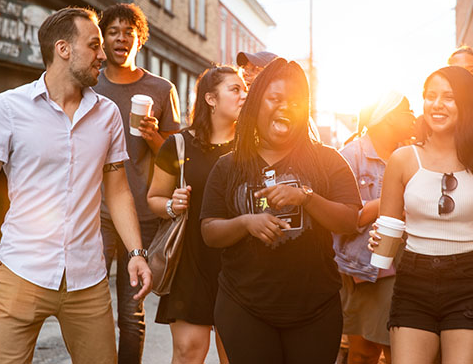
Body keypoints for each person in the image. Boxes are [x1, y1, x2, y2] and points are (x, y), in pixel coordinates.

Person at [0, 7, 152, 364]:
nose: (103, 55)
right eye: (94, 46)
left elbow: (118, 190)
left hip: (88, 279)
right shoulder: (7, 108)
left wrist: (135, 252)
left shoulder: (107, 115)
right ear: (63, 49)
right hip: (22, 271)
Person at [200, 58, 362, 364]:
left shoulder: (327, 161)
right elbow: (209, 230)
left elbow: (349, 221)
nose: (285, 107)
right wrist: (246, 223)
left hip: (315, 309)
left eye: (295, 101)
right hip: (243, 305)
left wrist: (306, 198)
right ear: (257, 105)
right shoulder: (229, 166)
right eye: (275, 99)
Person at [369, 66, 473, 364]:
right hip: (413, 279)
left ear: (466, 104)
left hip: (470, 281)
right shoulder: (402, 160)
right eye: (430, 96)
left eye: (448, 97)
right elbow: (388, 226)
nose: (437, 105)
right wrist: (379, 240)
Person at [92, 2, 181, 364]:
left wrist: (153, 136)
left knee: (131, 314)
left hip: (142, 214)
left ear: (139, 39)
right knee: (90, 305)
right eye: (112, 31)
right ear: (102, 39)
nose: (121, 38)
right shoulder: (90, 83)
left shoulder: (160, 89)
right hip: (94, 211)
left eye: (129, 32)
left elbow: (176, 157)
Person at [147, 65, 246, 364]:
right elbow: (154, 198)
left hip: (240, 264)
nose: (245, 95)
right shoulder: (178, 145)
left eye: (246, 89)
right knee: (189, 352)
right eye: (236, 89)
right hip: (190, 263)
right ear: (211, 99)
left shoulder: (252, 148)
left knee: (237, 354)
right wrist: (171, 204)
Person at [334, 91, 415, 364]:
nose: (413, 116)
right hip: (369, 268)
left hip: (411, 265)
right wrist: (392, 199)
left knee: (401, 352)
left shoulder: (414, 154)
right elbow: (345, 218)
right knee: (365, 351)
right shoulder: (351, 155)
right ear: (388, 117)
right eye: (407, 111)